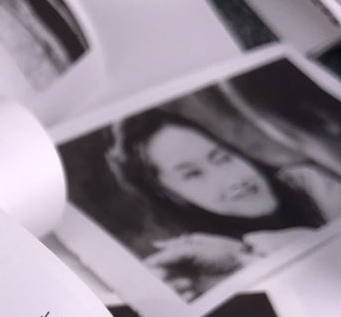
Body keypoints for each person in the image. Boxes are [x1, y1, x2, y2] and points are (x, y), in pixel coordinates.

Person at [108, 108, 341, 299]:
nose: (232, 180)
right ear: (170, 194)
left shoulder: (310, 182)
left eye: (222, 157)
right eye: (193, 174)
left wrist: (256, 250)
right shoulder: (204, 262)